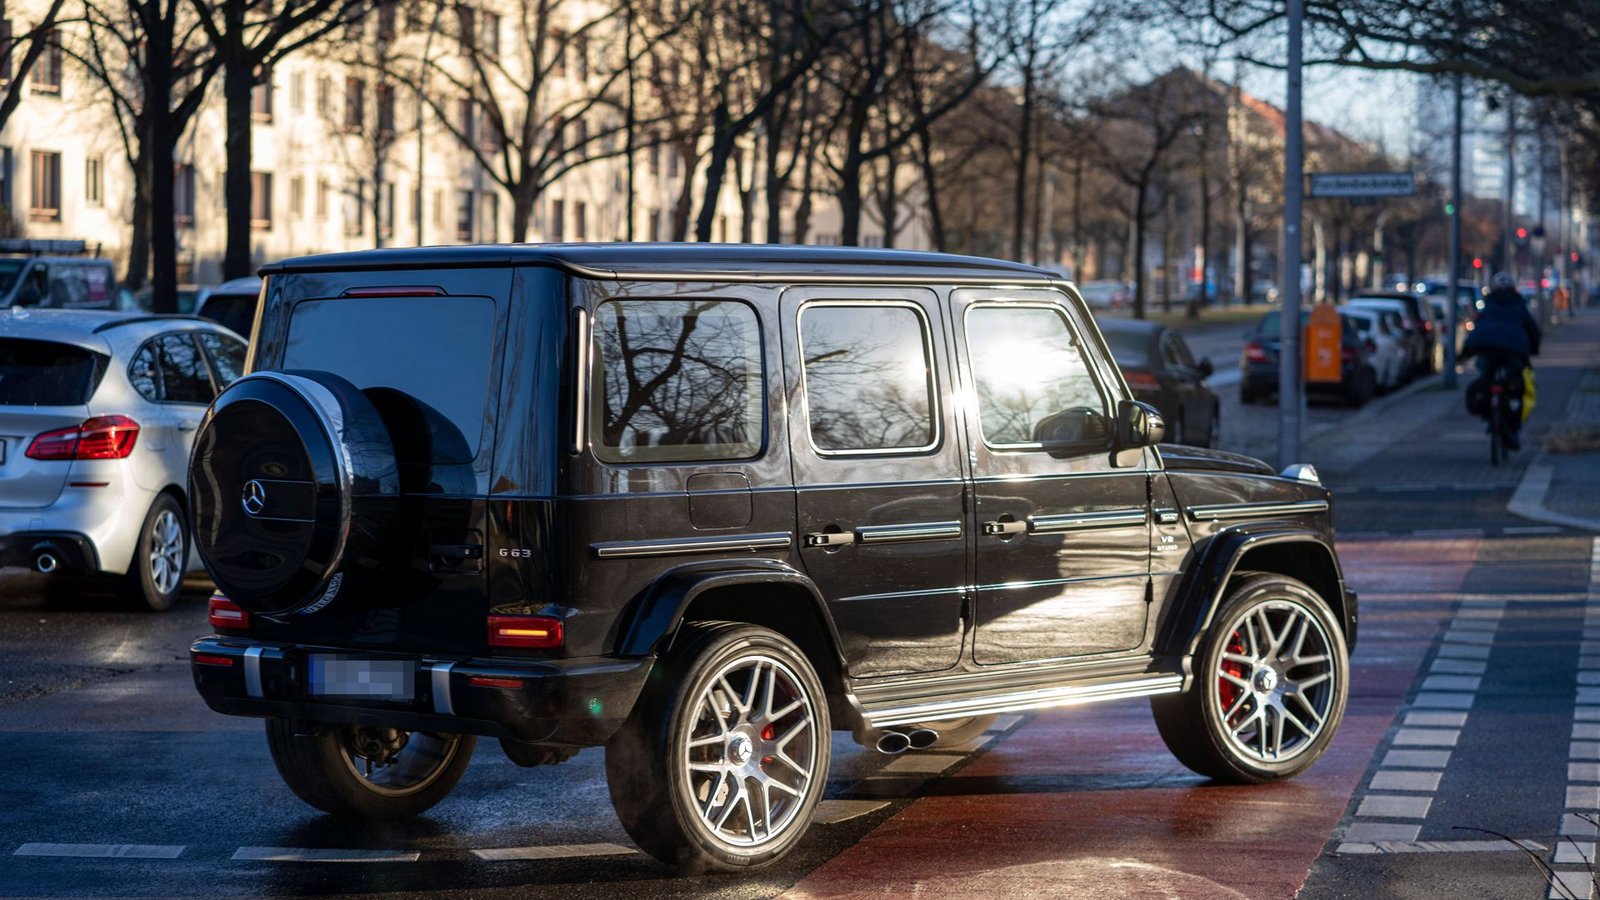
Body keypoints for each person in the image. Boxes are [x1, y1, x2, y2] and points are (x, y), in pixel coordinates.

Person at [1462, 272, 1541, 449]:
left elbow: (1478, 327)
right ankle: (1512, 426)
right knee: (1516, 387)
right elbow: (1532, 330)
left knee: (1485, 378)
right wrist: (1534, 349)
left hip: (1487, 348)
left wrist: (1468, 348)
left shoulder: (1488, 304)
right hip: (1514, 350)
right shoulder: (1520, 305)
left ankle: (1489, 410)